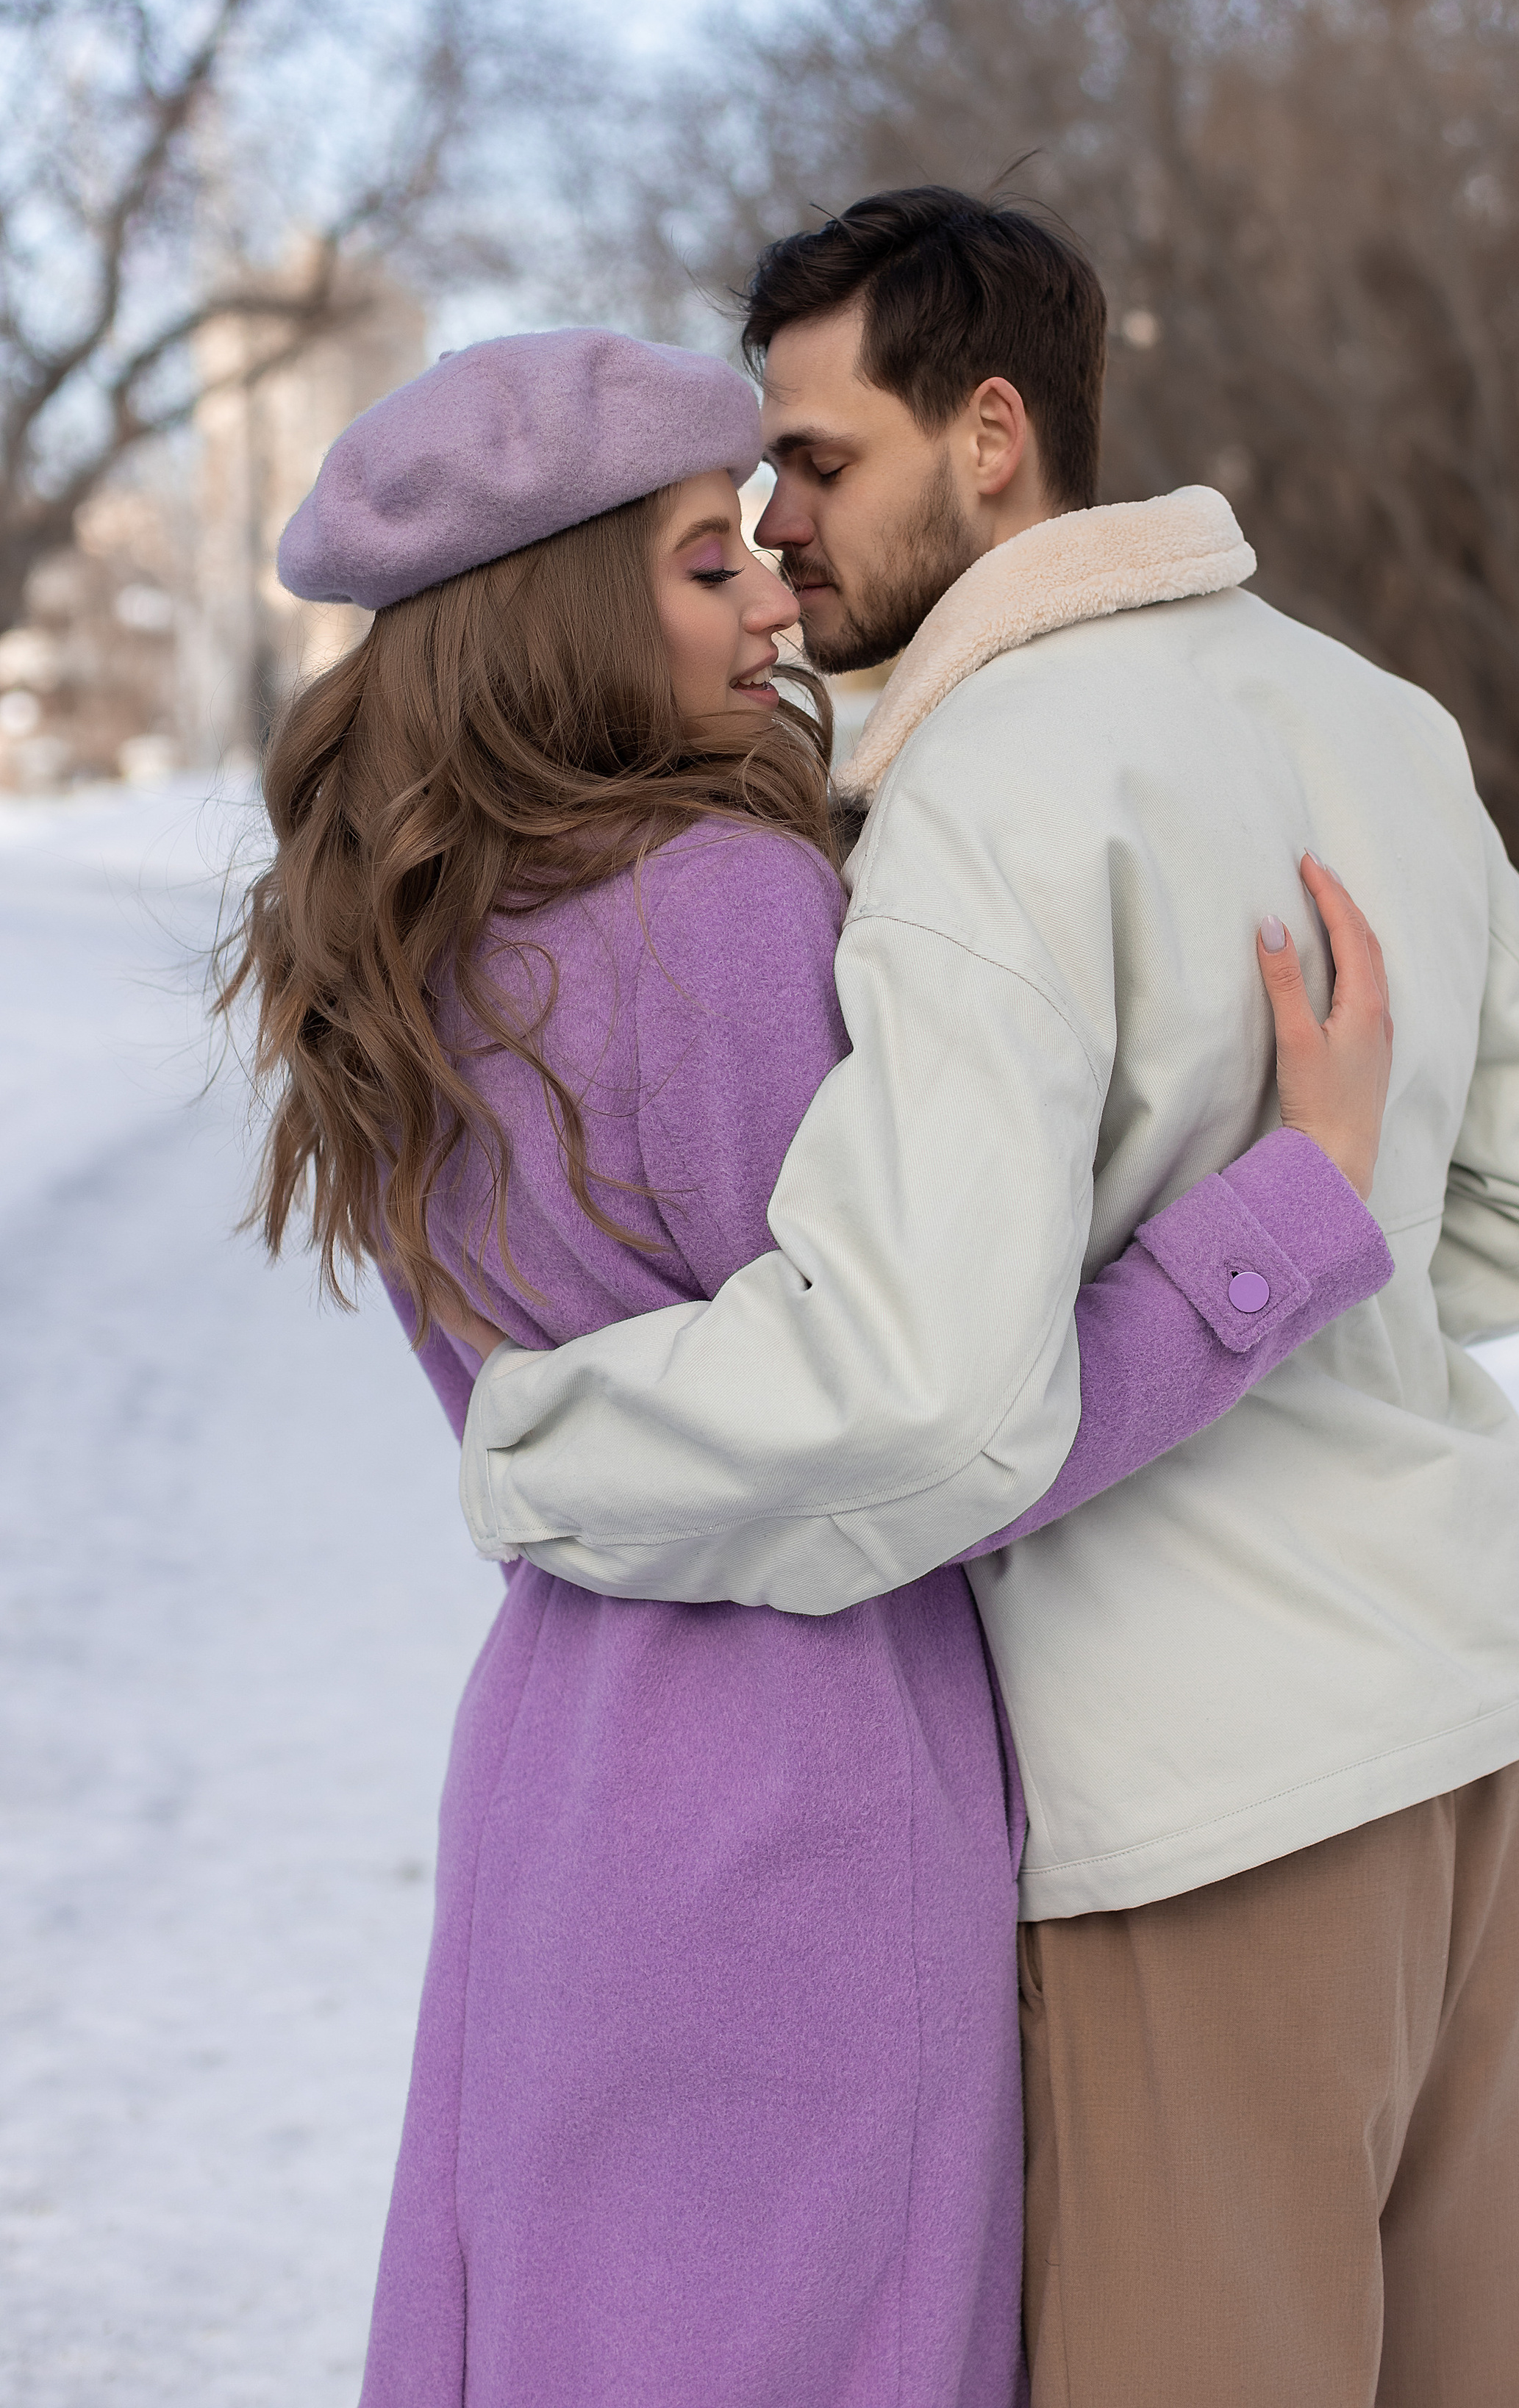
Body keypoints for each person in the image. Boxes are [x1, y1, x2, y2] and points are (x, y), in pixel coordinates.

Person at [457, 191, 1519, 2407]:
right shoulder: (1372, 712)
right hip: (1466, 1752)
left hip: (1194, 1805)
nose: (780, 528)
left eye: (816, 466)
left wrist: (558, 1441)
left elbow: (921, 1394)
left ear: (989, 433)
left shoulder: (974, 787)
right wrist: (1316, 1277)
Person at [223, 324, 1397, 2408]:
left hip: (559, 1768)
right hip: (802, 1789)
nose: (776, 581)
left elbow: (619, 1424)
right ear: (563, 608)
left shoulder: (397, 953)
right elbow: (933, 1423)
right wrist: (1287, 1208)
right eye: (703, 562)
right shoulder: (718, 905)